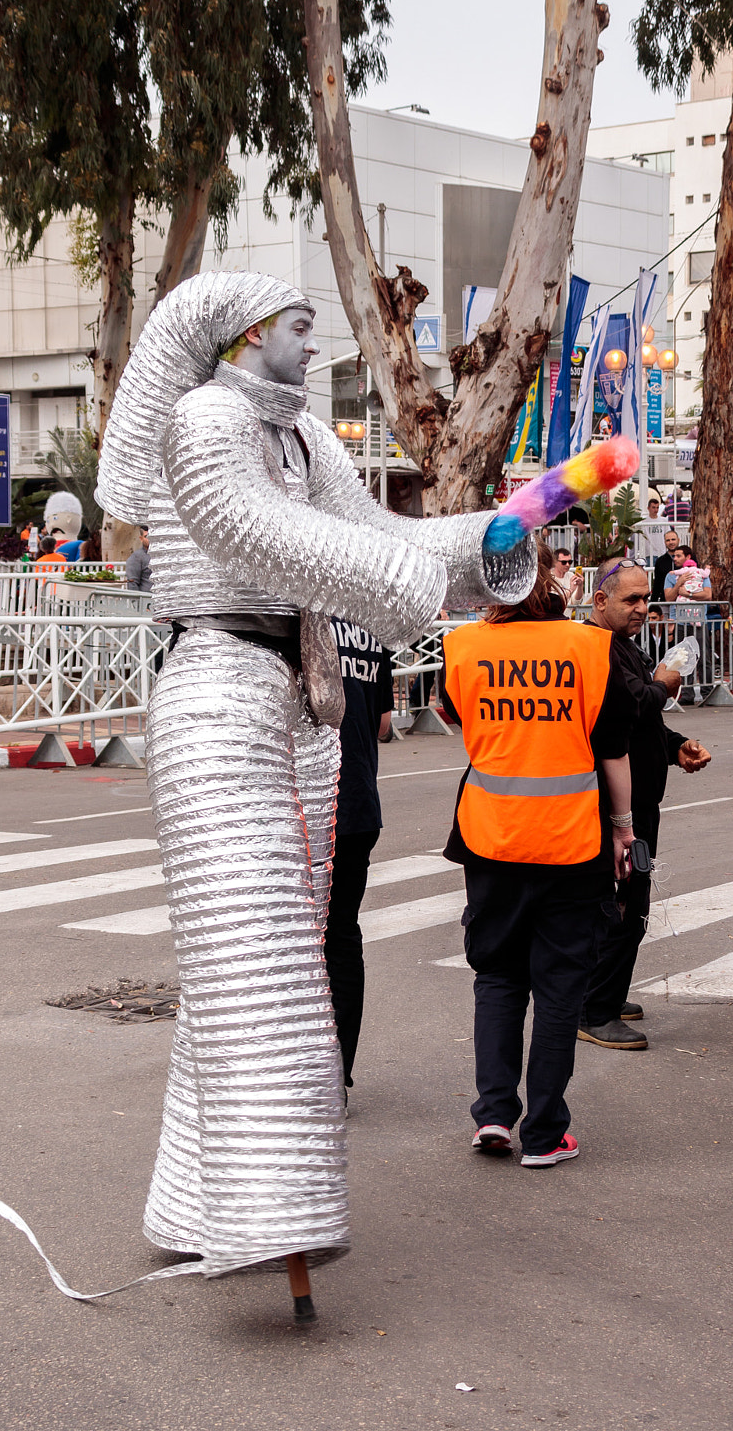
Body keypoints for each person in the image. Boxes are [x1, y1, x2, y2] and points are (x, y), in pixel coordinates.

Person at [94, 268, 565, 1310]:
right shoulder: (204, 424)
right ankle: (273, 1217)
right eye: (303, 328)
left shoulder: (308, 440)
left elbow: (386, 538)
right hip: (214, 691)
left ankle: (190, 1206)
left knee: (262, 965)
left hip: (299, 696)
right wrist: (401, 588)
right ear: (247, 332)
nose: (316, 347)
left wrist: (490, 540)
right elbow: (268, 538)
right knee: (256, 970)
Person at [439, 543, 636, 1168]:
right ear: (551, 582)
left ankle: (494, 1114)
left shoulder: (463, 647)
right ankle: (546, 1134)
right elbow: (612, 752)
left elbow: (455, 717)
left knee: (497, 976)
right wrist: (623, 828)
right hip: (570, 841)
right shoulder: (589, 648)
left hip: (491, 837)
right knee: (558, 989)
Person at [579, 561, 711, 1049]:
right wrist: (663, 685)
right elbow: (629, 706)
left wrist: (675, 746)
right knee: (624, 905)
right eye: (630, 600)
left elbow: (641, 724)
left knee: (624, 902)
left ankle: (602, 994)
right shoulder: (595, 647)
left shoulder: (621, 645)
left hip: (638, 799)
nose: (642, 608)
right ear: (600, 601)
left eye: (645, 599)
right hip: (616, 808)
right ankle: (595, 1009)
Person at [324, 617, 395, 1091]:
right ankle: (337, 1070)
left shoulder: (297, 617)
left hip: (303, 805)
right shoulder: (371, 627)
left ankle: (293, 1070)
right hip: (358, 803)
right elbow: (386, 724)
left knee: (290, 944)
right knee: (342, 936)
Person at [651, 530, 681, 603]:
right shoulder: (660, 561)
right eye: (668, 540)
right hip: (665, 601)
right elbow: (657, 584)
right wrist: (653, 604)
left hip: (684, 600)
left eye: (673, 539)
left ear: (678, 540)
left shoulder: (687, 559)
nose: (671, 542)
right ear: (665, 542)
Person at [124, 525, 152, 592]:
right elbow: (132, 583)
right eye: (147, 537)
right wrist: (135, 601)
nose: (150, 539)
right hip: (147, 599)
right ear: (141, 539)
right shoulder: (136, 557)